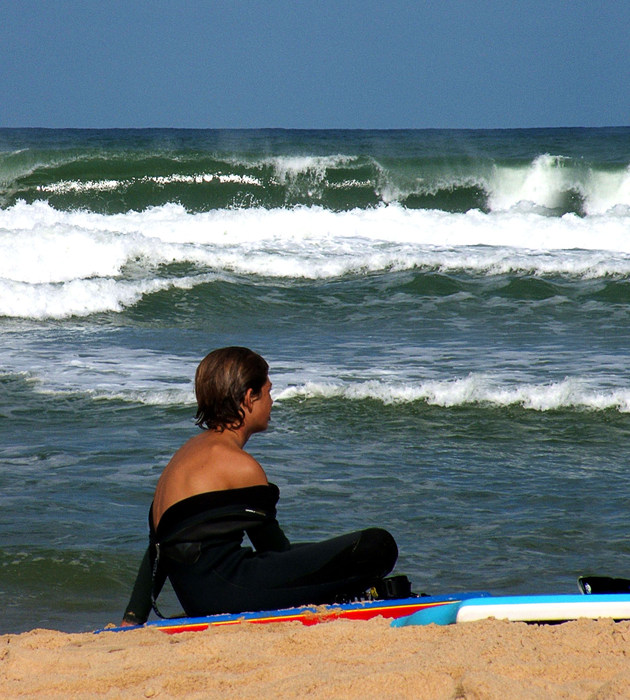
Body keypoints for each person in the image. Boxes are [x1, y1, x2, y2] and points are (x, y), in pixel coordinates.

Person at [122, 347, 399, 625]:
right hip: (231, 594)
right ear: (248, 397)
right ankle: (351, 596)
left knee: (324, 556)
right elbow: (275, 551)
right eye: (268, 391)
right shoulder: (240, 465)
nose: (272, 401)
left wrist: (132, 619)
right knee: (376, 545)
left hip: (199, 600)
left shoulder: (182, 458)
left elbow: (157, 549)